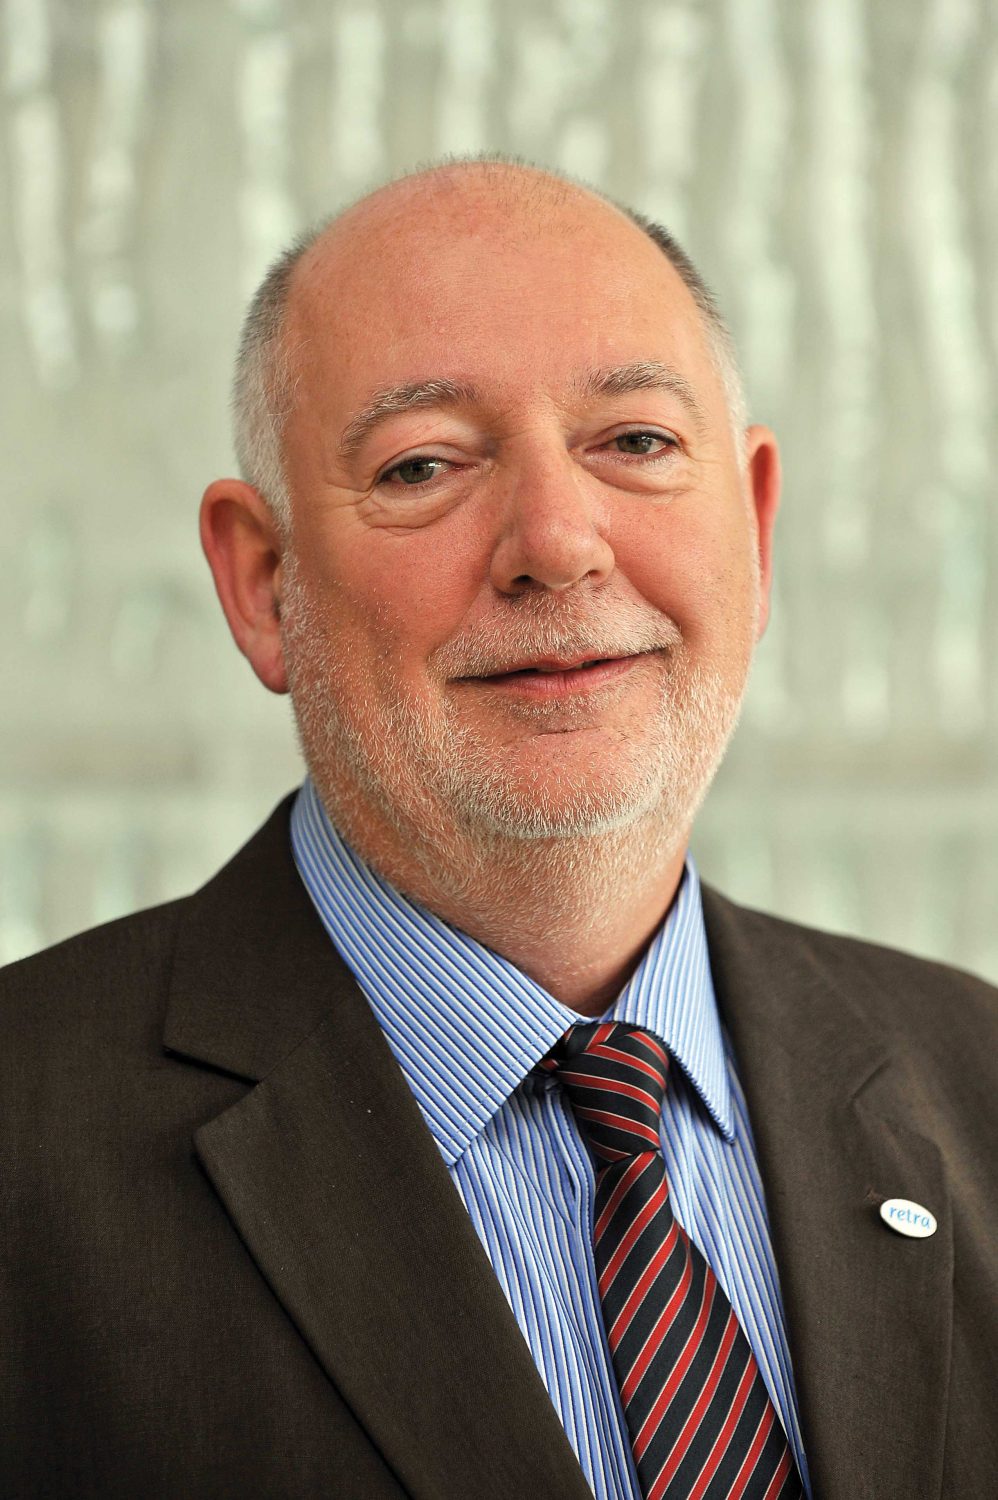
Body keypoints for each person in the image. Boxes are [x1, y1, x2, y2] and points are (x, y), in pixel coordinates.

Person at [2, 158, 995, 1500]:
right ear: (262, 581)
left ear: (756, 530)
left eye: (635, 442)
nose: (557, 541)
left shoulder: (978, 1082)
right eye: (422, 465)